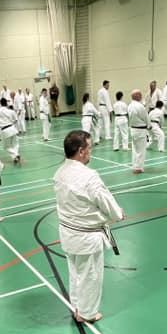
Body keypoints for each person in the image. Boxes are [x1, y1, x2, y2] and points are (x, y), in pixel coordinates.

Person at [54, 130, 125, 323]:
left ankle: (77, 307)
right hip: (87, 237)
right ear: (81, 151)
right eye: (89, 148)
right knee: (90, 276)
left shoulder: (59, 173)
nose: (90, 152)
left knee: (75, 273)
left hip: (68, 233)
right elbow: (105, 201)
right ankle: (87, 313)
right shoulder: (89, 177)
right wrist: (118, 214)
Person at [0, 98, 21, 164]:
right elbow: (16, 120)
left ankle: (15, 155)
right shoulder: (11, 111)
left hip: (4, 130)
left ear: (0, 103)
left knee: (6, 147)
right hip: (12, 128)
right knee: (15, 144)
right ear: (6, 103)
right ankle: (15, 156)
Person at [127, 90, 149, 174]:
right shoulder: (140, 106)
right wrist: (149, 126)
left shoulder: (129, 106)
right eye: (140, 95)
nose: (141, 96)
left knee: (135, 149)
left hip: (133, 129)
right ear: (138, 96)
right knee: (141, 150)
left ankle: (135, 165)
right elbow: (146, 117)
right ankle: (138, 168)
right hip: (140, 130)